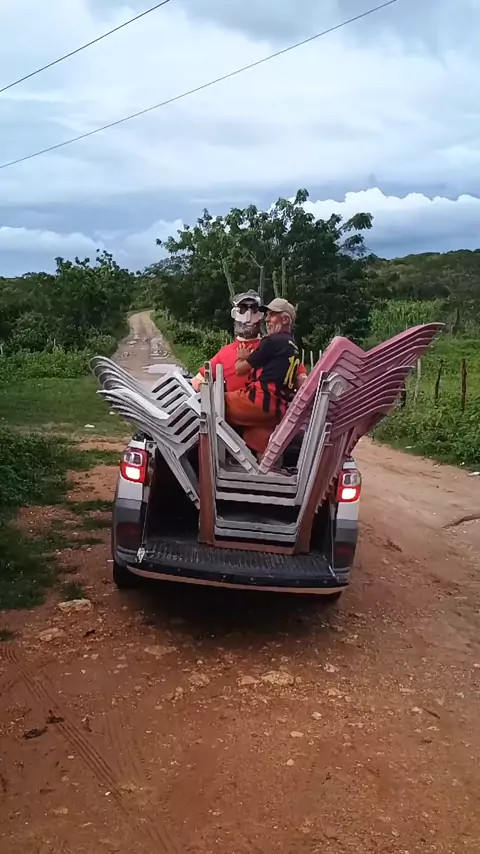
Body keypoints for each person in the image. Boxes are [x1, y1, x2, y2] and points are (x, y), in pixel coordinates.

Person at [225, 298, 307, 455]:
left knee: (215, 402)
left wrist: (241, 357)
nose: (267, 319)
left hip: (259, 401)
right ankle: (263, 465)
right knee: (255, 436)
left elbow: (240, 370)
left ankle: (212, 456)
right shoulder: (294, 348)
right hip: (277, 410)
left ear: (285, 319)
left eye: (272, 315)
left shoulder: (272, 341)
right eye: (267, 315)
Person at [191, 290, 265, 393]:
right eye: (242, 309)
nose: (248, 315)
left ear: (260, 314)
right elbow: (199, 380)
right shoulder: (225, 352)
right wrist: (214, 396)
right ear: (235, 313)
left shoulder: (270, 346)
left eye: (253, 309)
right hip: (233, 402)